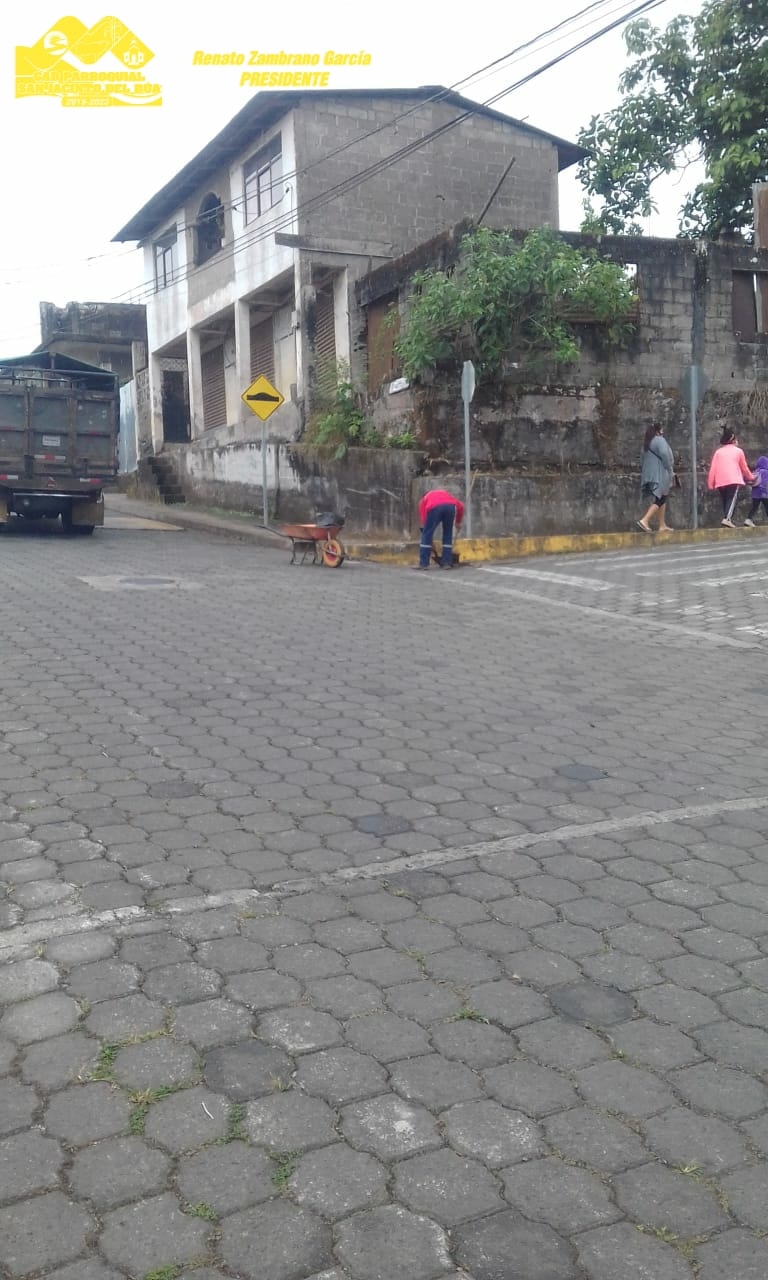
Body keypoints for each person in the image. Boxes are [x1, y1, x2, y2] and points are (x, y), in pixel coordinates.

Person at [707, 427, 756, 527]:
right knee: (731, 498)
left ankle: (726, 518)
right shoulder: (738, 451)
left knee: (725, 499)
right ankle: (727, 519)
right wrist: (751, 477)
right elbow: (744, 468)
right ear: (733, 439)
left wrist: (710, 483)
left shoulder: (718, 452)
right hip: (733, 479)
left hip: (720, 480)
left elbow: (713, 468)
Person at [636, 423, 675, 533]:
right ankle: (644, 520)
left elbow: (642, 459)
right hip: (661, 473)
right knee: (661, 498)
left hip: (650, 474)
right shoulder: (659, 440)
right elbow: (665, 454)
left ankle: (662, 525)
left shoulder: (647, 442)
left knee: (662, 496)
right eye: (662, 430)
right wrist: (669, 468)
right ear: (658, 431)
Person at [414, 487, 465, 569]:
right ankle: (446, 562)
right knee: (448, 534)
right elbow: (461, 506)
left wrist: (429, 538)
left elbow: (424, 522)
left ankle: (423, 564)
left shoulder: (424, 500)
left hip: (435, 508)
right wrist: (458, 522)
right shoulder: (445, 494)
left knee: (426, 534)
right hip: (450, 507)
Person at [744, 454, 768, 526]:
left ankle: (748, 519)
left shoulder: (755, 471)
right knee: (767, 506)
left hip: (755, 493)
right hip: (764, 492)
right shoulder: (766, 471)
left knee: (755, 506)